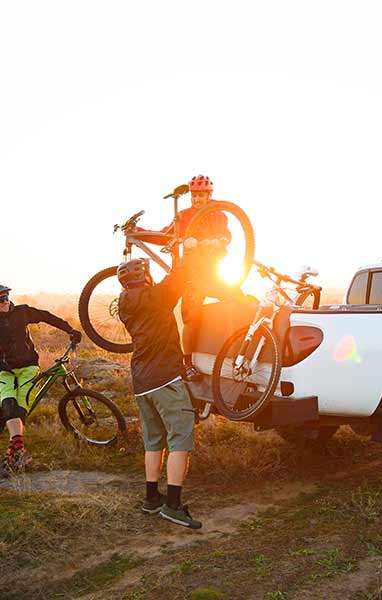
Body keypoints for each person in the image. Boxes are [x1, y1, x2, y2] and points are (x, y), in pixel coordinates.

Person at [117, 258, 202, 529]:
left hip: (142, 381)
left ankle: (152, 497)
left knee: (154, 440)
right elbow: (178, 277)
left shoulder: (124, 302)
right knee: (181, 439)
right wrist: (185, 252)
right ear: (145, 276)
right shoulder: (154, 296)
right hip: (165, 378)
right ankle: (173, 505)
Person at [134, 174, 240, 381]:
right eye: (194, 195)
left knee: (238, 299)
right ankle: (189, 363)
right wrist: (138, 232)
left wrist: (204, 243)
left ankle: (239, 352)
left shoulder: (219, 213)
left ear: (209, 195)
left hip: (213, 270)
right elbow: (164, 234)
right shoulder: (184, 215)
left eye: (201, 195)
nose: (197, 199)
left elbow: (225, 238)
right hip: (192, 273)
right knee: (190, 316)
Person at [0, 283, 82, 477]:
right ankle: (19, 451)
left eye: (7, 297)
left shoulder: (22, 312)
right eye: (0, 299)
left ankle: (13, 450)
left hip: (28, 367)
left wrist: (69, 329)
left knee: (21, 404)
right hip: (5, 370)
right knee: (9, 403)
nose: (6, 301)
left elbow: (46, 316)